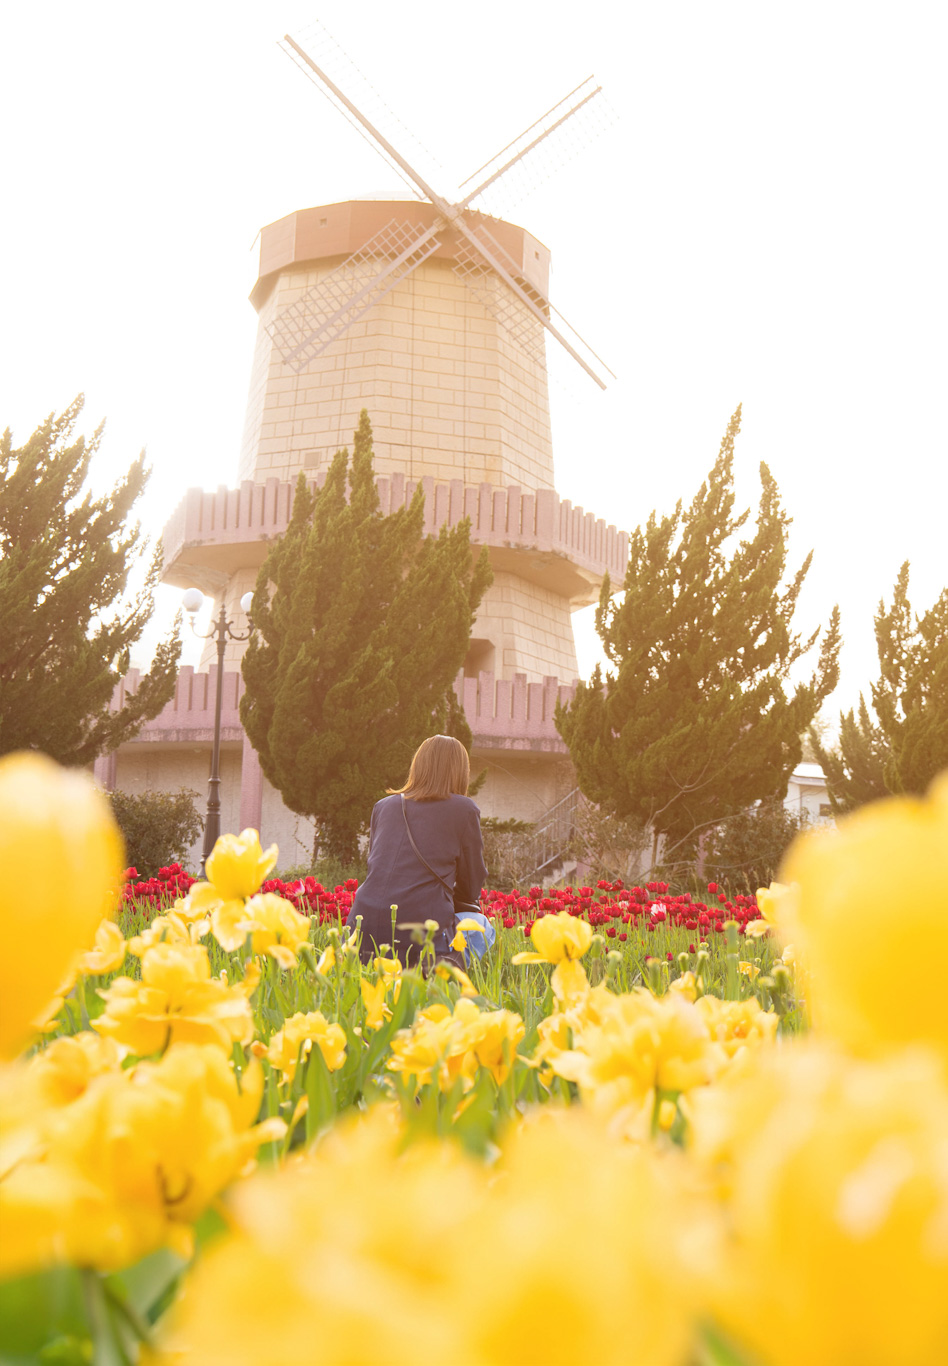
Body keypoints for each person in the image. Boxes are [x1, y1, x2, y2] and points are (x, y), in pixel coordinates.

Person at [346, 734, 487, 966]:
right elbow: (472, 883)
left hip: (361, 929)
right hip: (422, 933)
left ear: (418, 766)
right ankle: (441, 975)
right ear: (459, 771)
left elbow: (377, 865)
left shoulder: (384, 806)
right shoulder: (464, 809)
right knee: (482, 927)